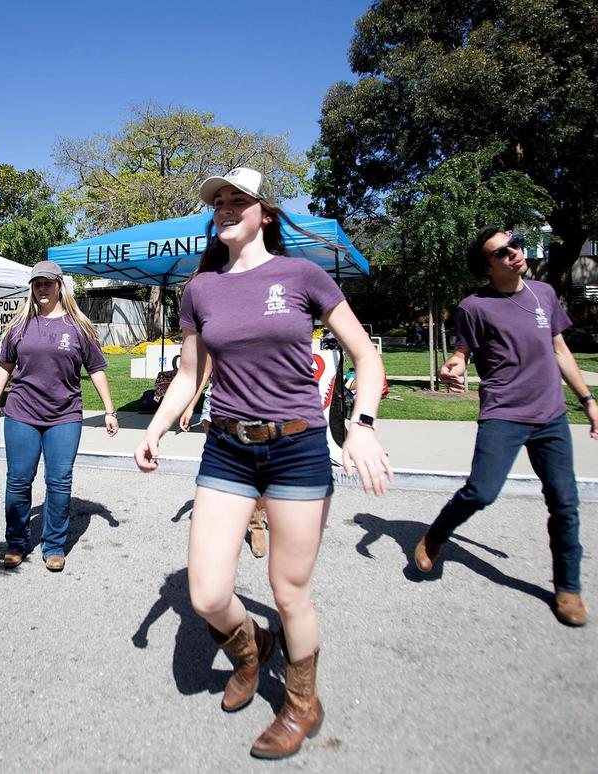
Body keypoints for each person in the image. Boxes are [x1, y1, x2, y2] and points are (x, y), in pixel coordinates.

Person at [135, 167, 392, 760]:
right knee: (204, 595)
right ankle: (252, 649)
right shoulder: (201, 289)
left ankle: (303, 704)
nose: (225, 208)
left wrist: (363, 427)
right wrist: (155, 426)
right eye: (217, 202)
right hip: (226, 446)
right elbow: (193, 373)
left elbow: (364, 356)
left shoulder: (302, 275)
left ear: (265, 215)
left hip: (296, 448)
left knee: (289, 589)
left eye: (238, 201)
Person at [414, 227, 598, 627]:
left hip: (551, 415)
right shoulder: (475, 306)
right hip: (503, 412)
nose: (514, 253)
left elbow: (560, 350)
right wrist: (454, 367)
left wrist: (588, 400)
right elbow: (461, 354)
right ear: (487, 265)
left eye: (514, 245)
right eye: (501, 252)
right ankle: (436, 533)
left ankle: (568, 587)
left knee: (564, 503)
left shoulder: (545, 293)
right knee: (481, 492)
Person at [0, 260, 119, 573]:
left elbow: (96, 369)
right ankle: (16, 541)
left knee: (58, 482)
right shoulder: (19, 326)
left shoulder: (78, 327)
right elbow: (5, 367)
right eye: (37, 283)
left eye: (47, 283)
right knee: (18, 481)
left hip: (64, 415)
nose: (42, 288)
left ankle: (54, 545)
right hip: (21, 413)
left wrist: (109, 410)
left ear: (60, 286)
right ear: (32, 288)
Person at [179, 359, 268, 558]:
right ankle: (226, 522)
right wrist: (191, 405)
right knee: (221, 466)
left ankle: (256, 524)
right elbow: (205, 368)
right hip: (215, 404)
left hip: (252, 404)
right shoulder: (216, 328)